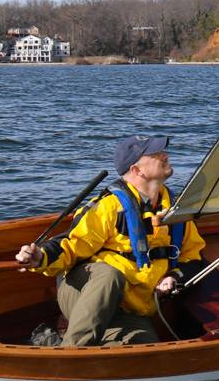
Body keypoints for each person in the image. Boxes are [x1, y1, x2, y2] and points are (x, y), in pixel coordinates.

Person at [14, 135, 205, 347]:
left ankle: (57, 345)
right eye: (155, 154)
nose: (165, 155)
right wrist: (40, 256)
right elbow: (70, 245)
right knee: (109, 275)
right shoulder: (108, 207)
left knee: (143, 351)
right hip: (82, 294)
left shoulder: (175, 211)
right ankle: (69, 354)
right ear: (136, 170)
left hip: (128, 308)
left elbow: (193, 255)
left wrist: (174, 276)